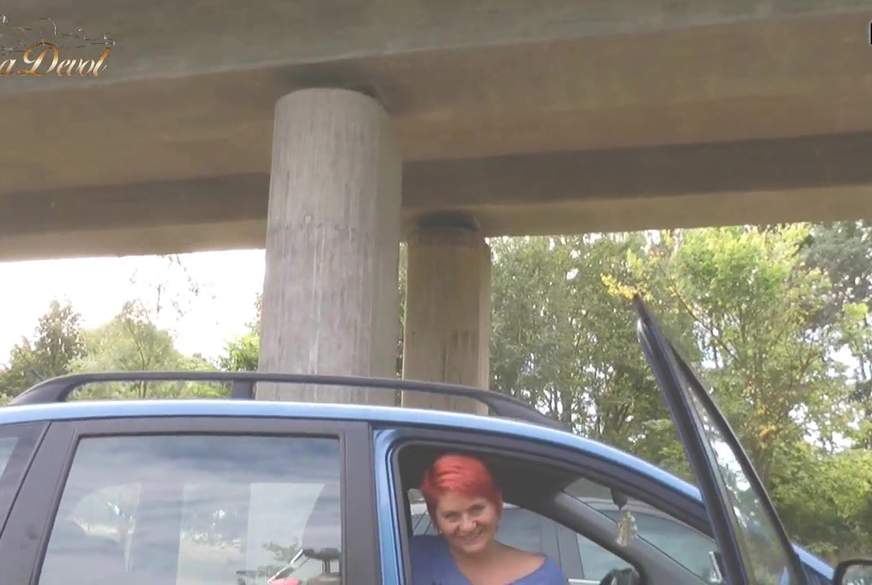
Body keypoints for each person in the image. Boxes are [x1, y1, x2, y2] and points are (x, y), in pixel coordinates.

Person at [410, 453, 569, 585]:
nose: (467, 526)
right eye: (451, 516)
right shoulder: (411, 557)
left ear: (496, 504)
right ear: (435, 518)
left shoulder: (545, 578)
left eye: (476, 509)